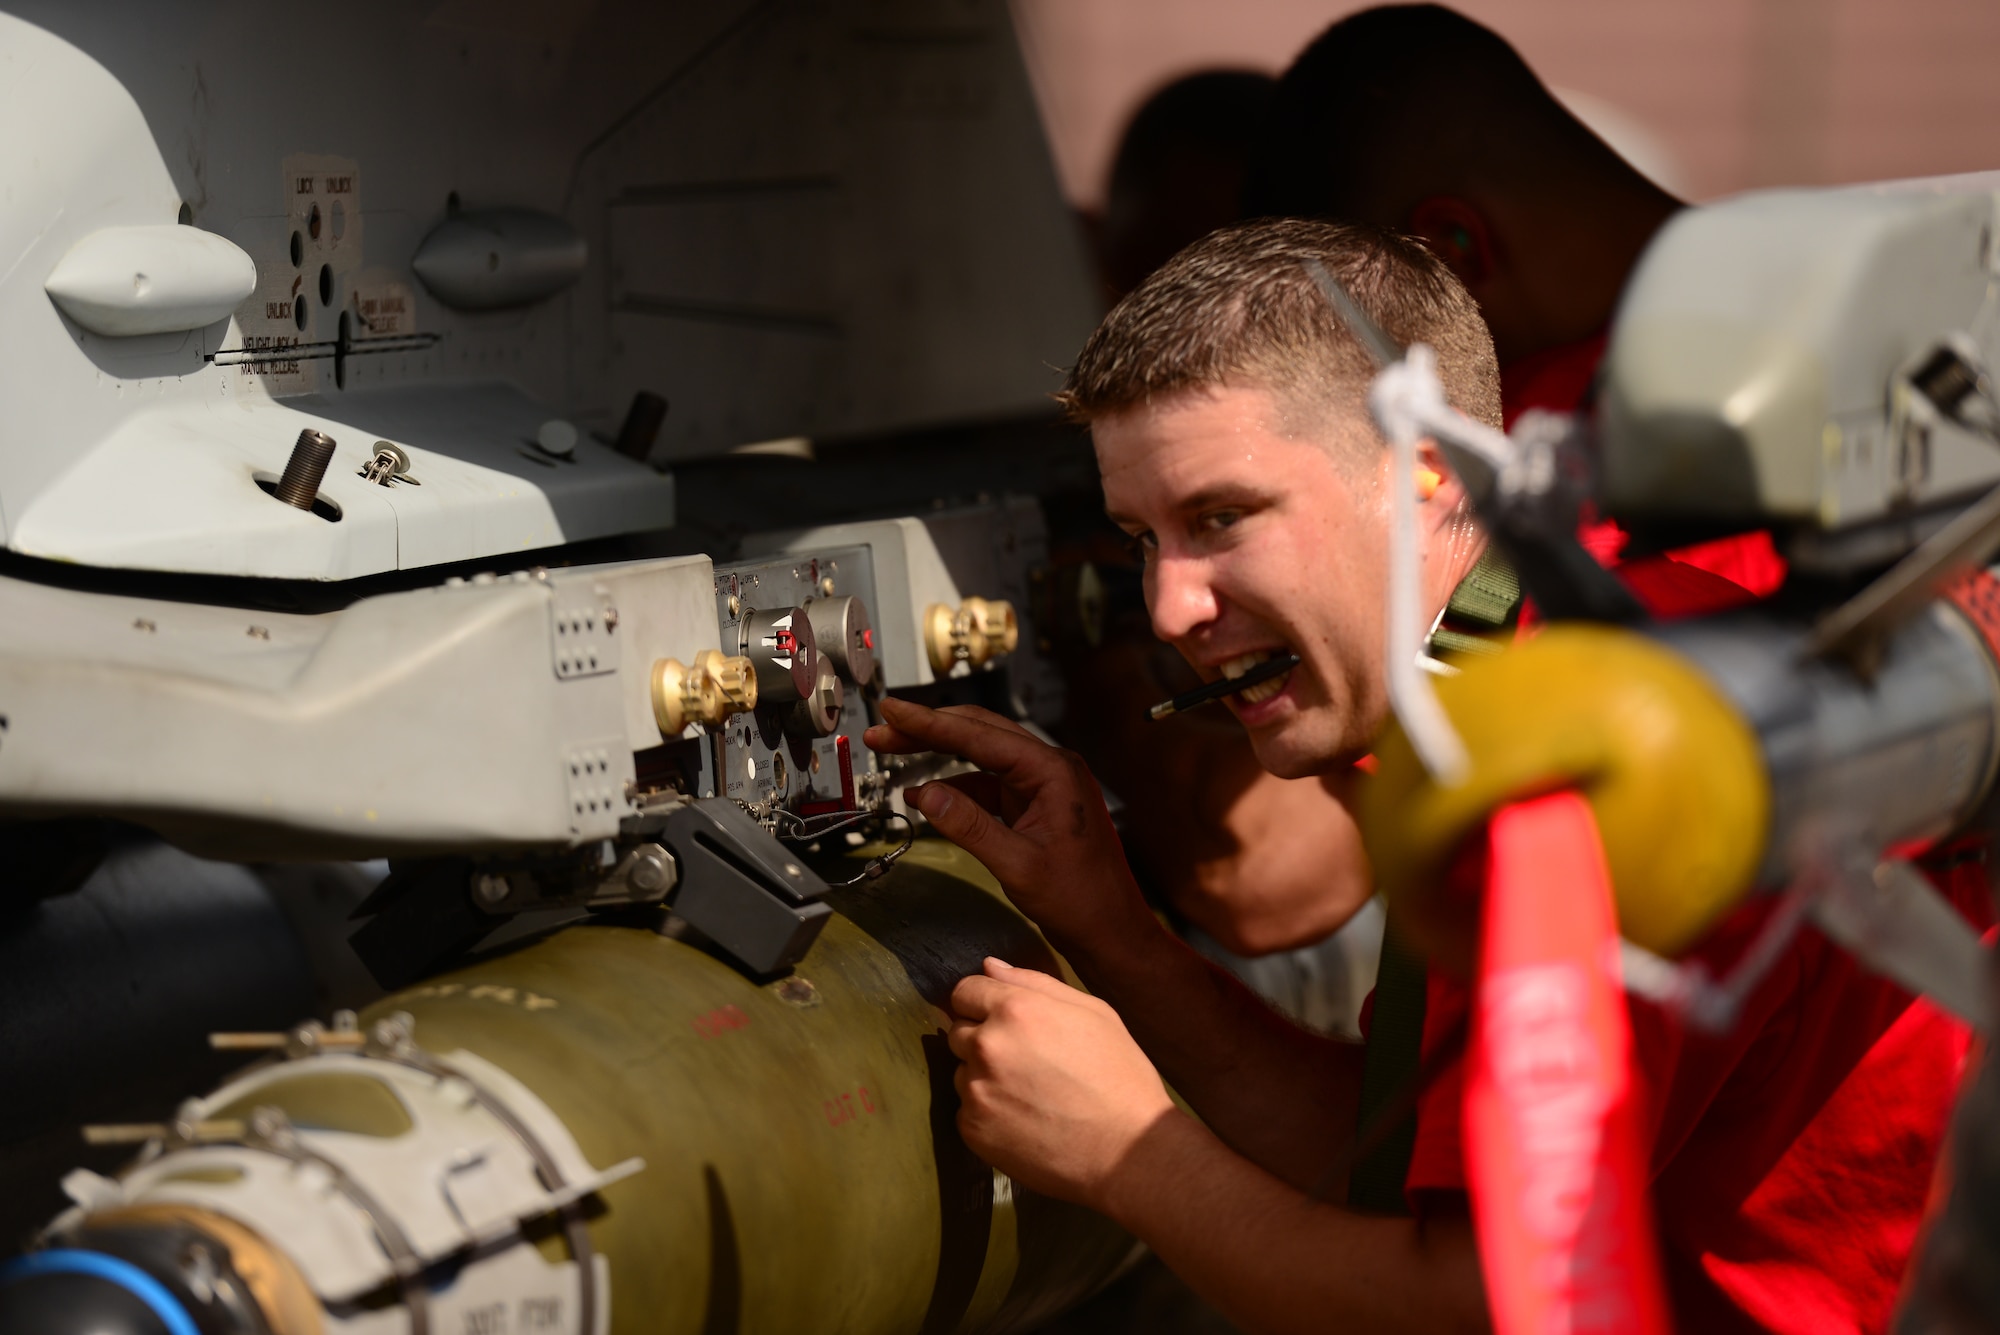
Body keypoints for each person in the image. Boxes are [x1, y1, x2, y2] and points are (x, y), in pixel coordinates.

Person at [864, 219, 1988, 1332]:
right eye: (1142, 536)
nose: (1167, 608)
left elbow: (1481, 1304)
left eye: (1221, 518)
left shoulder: (1559, 777)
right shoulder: (1539, 659)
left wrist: (1128, 1158)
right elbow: (1394, 1167)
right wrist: (1120, 936)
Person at [1247, 3, 1785, 596]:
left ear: (1454, 247)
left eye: (1378, 339)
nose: (1405, 392)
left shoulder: (1533, 453)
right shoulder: (1878, 289)